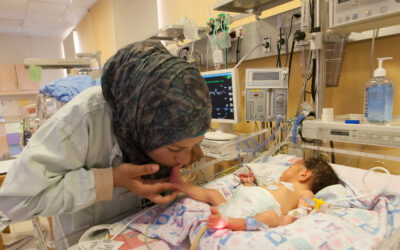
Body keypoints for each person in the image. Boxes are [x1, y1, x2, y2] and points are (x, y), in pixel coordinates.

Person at [0, 40, 211, 248]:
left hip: (140, 231)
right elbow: (15, 202)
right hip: (87, 238)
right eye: (174, 149)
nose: (183, 159)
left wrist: (183, 189)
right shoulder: (82, 121)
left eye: (193, 145)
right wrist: (111, 179)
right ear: (140, 124)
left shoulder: (156, 119)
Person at [171, 157, 339, 230]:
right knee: (213, 194)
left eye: (289, 167)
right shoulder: (282, 184)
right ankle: (179, 184)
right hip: (239, 201)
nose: (284, 170)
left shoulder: (306, 192)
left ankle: (229, 222)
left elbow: (304, 210)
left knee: (270, 217)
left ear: (304, 174)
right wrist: (249, 184)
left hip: (256, 212)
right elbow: (259, 193)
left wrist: (287, 219)